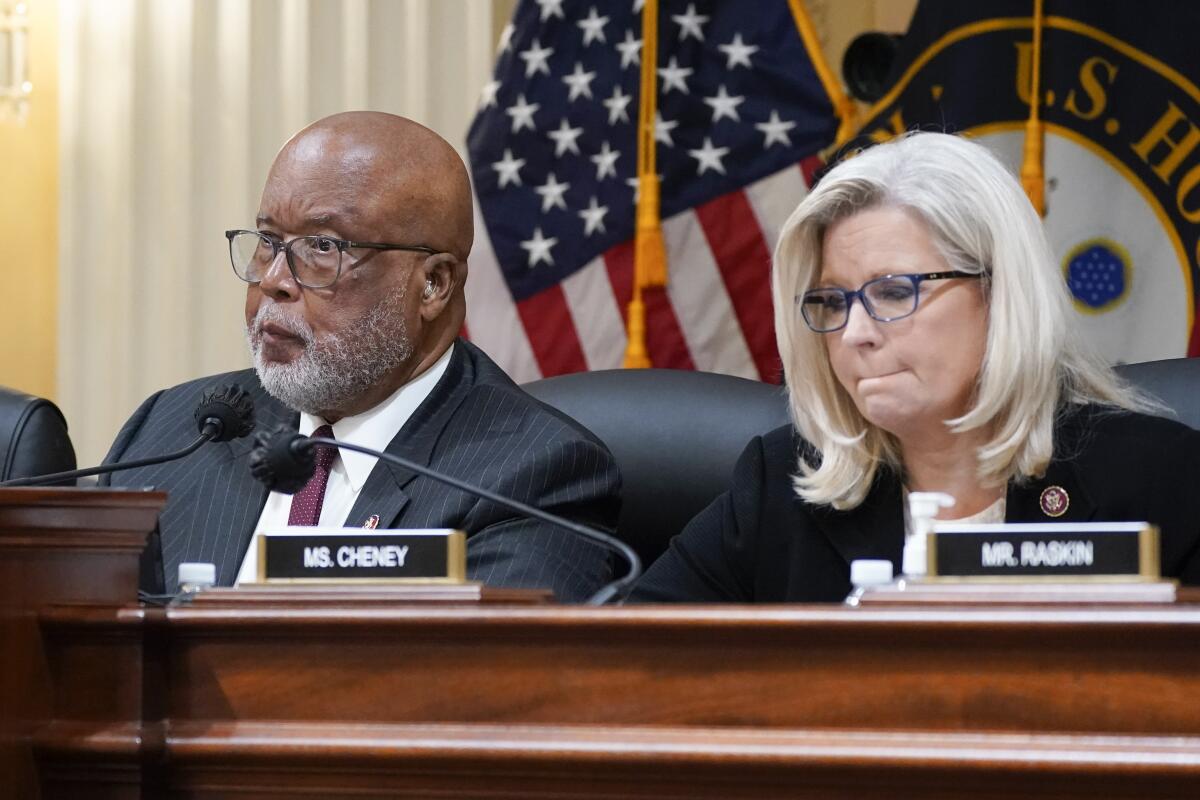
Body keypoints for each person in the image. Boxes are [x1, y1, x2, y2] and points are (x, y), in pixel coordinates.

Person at [631, 131, 1200, 602]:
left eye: (895, 292)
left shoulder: (1162, 480)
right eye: (832, 302)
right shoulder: (778, 486)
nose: (854, 334)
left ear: (1000, 292)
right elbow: (634, 666)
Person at [103, 111, 619, 601]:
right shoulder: (172, 431)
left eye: (323, 247)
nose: (275, 280)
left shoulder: (534, 475)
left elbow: (471, 685)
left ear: (433, 284)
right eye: (267, 240)